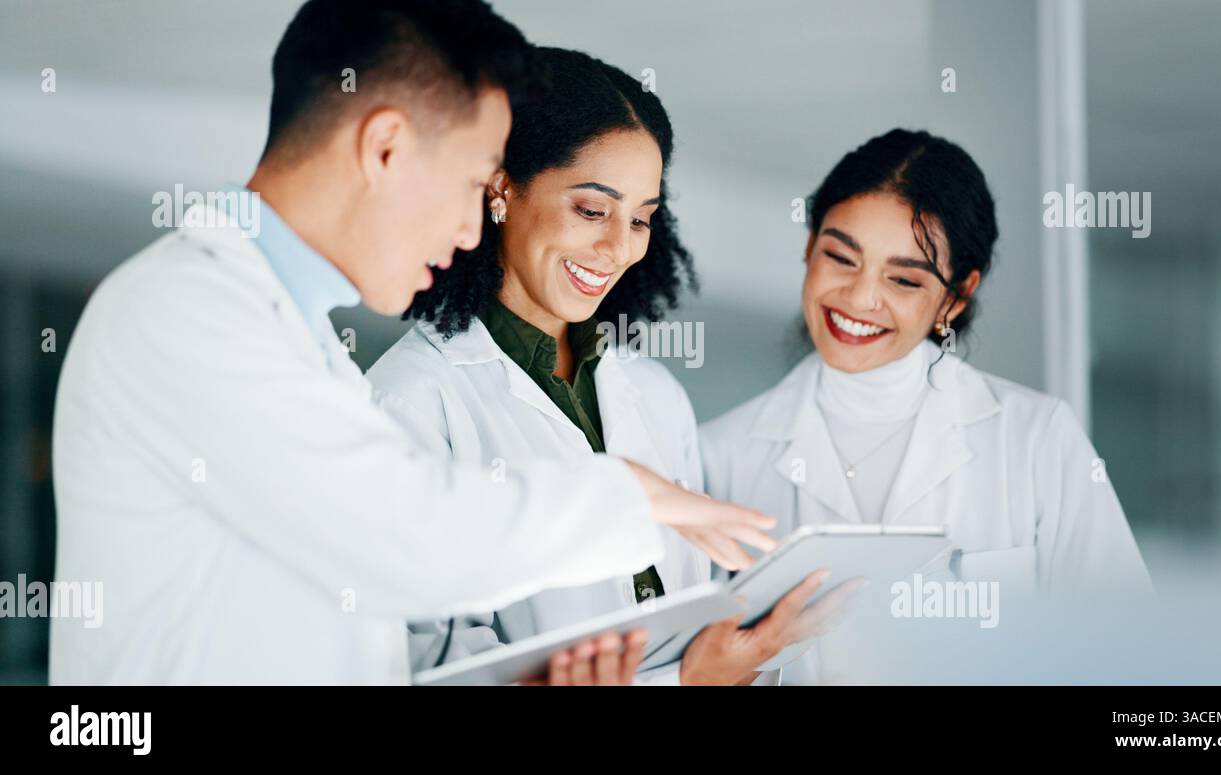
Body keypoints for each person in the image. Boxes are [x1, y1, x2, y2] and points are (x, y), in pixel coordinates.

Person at [49, 0, 773, 685]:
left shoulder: (306, 346)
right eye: (471, 184)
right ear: (386, 147)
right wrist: (630, 495)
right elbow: (405, 532)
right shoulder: (188, 311)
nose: (469, 231)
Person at [367, 47, 838, 686]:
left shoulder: (652, 392)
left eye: (642, 219)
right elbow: (421, 670)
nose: (620, 248)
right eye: (592, 210)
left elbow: (692, 619)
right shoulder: (409, 401)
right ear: (503, 186)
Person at [700, 128, 1153, 684]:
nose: (861, 298)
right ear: (808, 247)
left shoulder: (1035, 438)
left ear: (957, 296)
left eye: (904, 279)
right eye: (841, 257)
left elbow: (1127, 653)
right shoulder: (718, 455)